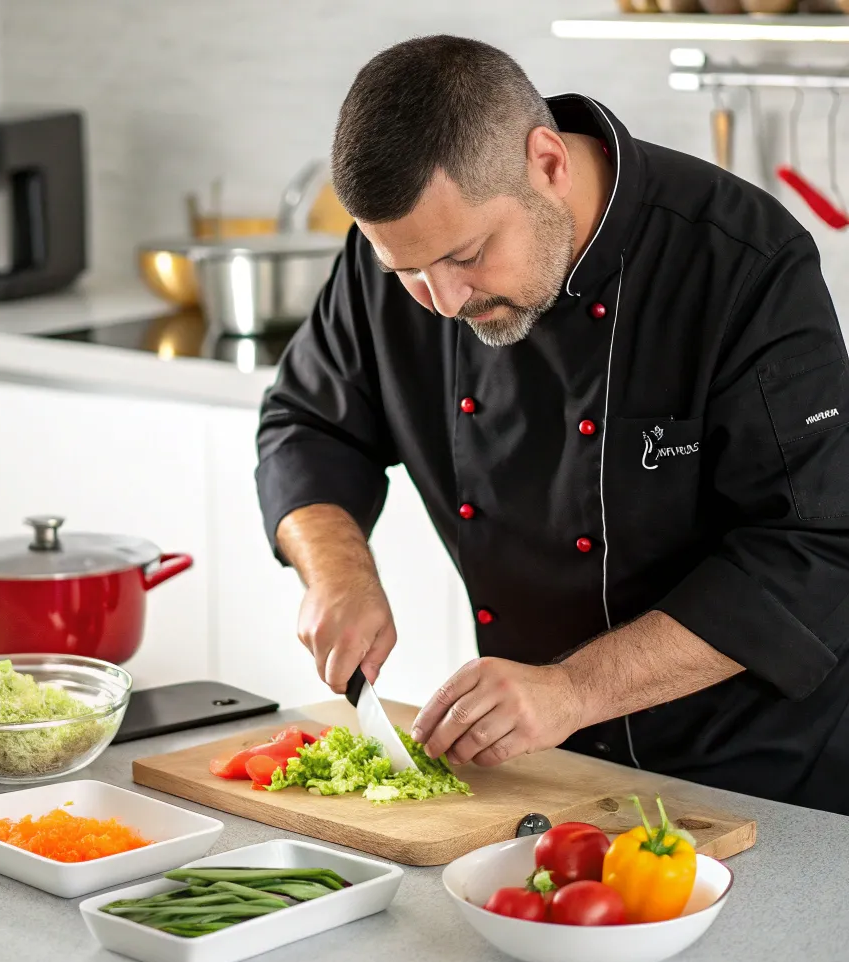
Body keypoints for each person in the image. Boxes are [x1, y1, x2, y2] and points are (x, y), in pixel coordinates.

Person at [255, 35, 849, 813]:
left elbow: (813, 550)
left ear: (548, 163)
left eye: (467, 254)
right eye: (406, 273)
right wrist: (336, 572)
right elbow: (308, 421)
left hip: (757, 782)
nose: (444, 300)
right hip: (549, 773)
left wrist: (572, 689)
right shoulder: (412, 263)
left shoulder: (741, 261)